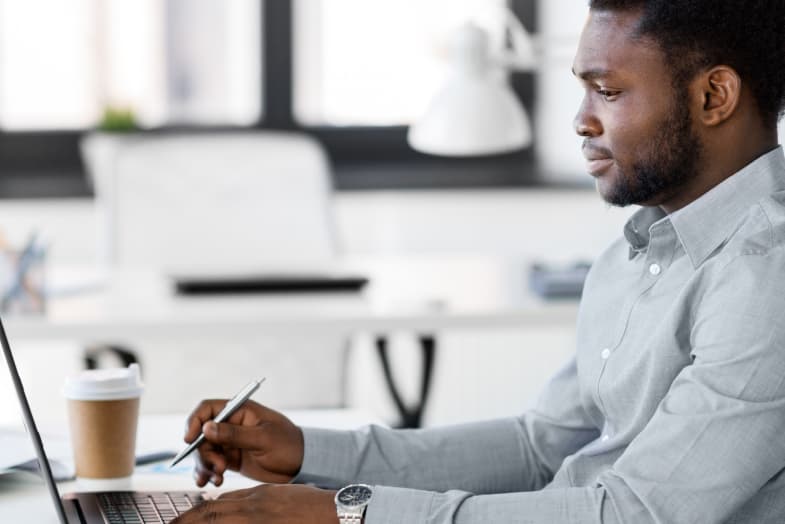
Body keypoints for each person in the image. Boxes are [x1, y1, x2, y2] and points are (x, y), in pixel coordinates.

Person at [172, 1, 785, 522]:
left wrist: (348, 510)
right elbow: (538, 447)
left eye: (607, 90)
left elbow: (632, 514)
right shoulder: (641, 248)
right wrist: (310, 454)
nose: (580, 120)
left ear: (714, 96)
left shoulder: (766, 276)